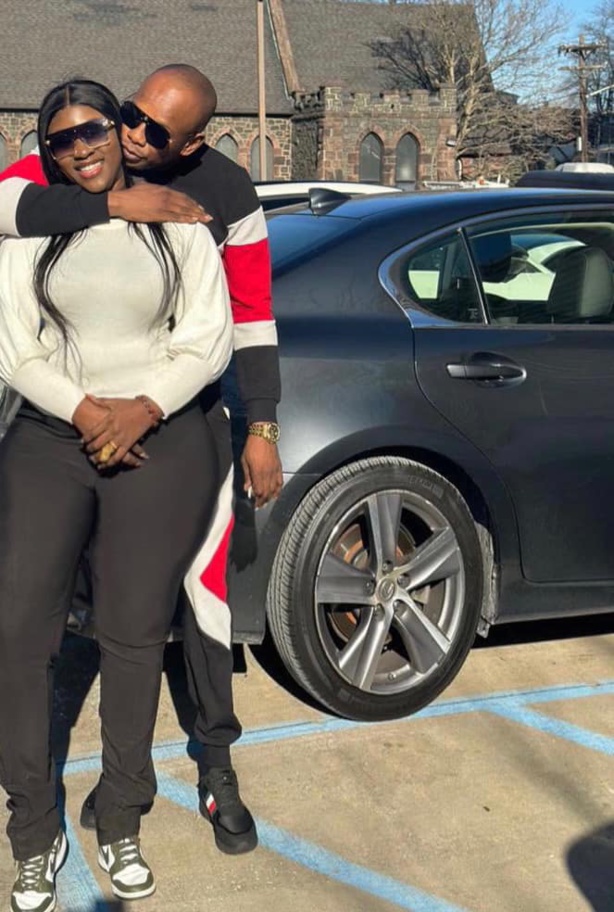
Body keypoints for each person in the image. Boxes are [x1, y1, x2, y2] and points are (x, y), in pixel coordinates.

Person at [0, 64, 283, 855]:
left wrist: (262, 423)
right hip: (71, 426)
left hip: (184, 416)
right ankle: (104, 779)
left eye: (154, 132)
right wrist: (114, 203)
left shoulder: (225, 191)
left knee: (203, 596)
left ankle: (216, 765)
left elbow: (251, 313)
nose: (129, 135)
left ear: (191, 143)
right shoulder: (74, 153)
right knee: (83, 608)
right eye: (129, 114)